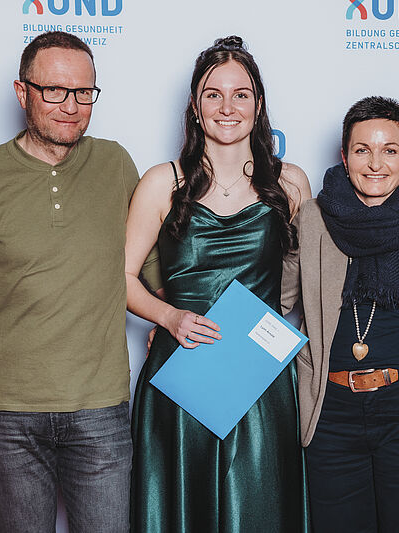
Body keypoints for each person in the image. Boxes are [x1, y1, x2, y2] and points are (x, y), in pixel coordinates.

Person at [0, 31, 137, 532]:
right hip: (7, 415)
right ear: (22, 92)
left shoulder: (116, 164)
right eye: (55, 91)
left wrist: (169, 320)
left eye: (84, 92)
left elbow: (145, 268)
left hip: (100, 410)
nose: (72, 106)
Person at [125, 36, 312, 533]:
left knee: (259, 508)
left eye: (240, 94)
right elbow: (120, 278)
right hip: (182, 371)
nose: (227, 107)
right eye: (213, 94)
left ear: (258, 104)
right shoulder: (162, 182)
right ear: (195, 105)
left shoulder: (291, 182)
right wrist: (168, 317)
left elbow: (303, 280)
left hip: (260, 378)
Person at [282, 96, 399, 533]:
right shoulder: (312, 219)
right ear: (344, 157)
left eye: (389, 150)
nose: (375, 164)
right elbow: (274, 300)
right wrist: (184, 323)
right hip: (330, 416)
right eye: (362, 150)